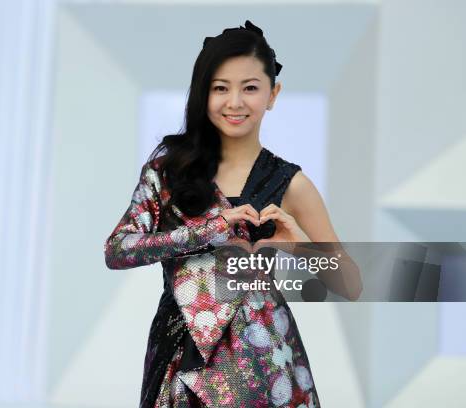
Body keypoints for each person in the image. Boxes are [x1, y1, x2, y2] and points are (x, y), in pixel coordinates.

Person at [104, 20, 361, 408]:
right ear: (202, 93)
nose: (235, 103)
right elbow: (117, 250)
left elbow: (351, 284)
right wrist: (208, 231)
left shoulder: (291, 183)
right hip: (180, 354)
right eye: (220, 88)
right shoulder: (167, 173)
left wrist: (300, 248)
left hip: (266, 364)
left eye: (250, 88)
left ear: (273, 95)